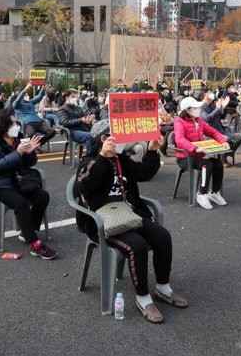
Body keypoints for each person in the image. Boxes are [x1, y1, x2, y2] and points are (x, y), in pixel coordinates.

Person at [76, 120, 187, 323]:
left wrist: (152, 151)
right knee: (137, 246)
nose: (125, 140)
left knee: (162, 236)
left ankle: (163, 287)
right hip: (103, 220)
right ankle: (143, 298)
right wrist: (102, 157)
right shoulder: (89, 160)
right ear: (104, 139)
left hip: (130, 213)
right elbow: (86, 184)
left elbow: (144, 173)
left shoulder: (121, 159)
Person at [0, 110, 57, 260]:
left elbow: (30, 163)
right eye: (13, 123)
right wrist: (18, 153)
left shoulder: (18, 138)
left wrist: (30, 153)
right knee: (21, 203)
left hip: (18, 179)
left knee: (43, 197)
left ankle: (26, 232)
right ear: (4, 127)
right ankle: (35, 244)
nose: (17, 126)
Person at [173, 96, 231, 209]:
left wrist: (223, 141)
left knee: (217, 163)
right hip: (185, 158)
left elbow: (212, 132)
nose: (198, 110)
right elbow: (179, 139)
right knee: (207, 164)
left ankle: (214, 192)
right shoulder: (179, 122)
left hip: (198, 156)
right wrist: (194, 148)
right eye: (195, 108)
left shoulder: (199, 121)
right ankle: (202, 193)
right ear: (188, 110)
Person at [201, 90, 241, 165]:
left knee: (238, 139)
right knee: (226, 139)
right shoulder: (202, 107)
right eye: (209, 93)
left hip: (221, 130)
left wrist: (223, 107)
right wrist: (217, 109)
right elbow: (207, 118)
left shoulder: (212, 105)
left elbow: (221, 115)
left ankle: (224, 155)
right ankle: (222, 159)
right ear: (205, 94)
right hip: (212, 133)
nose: (212, 94)